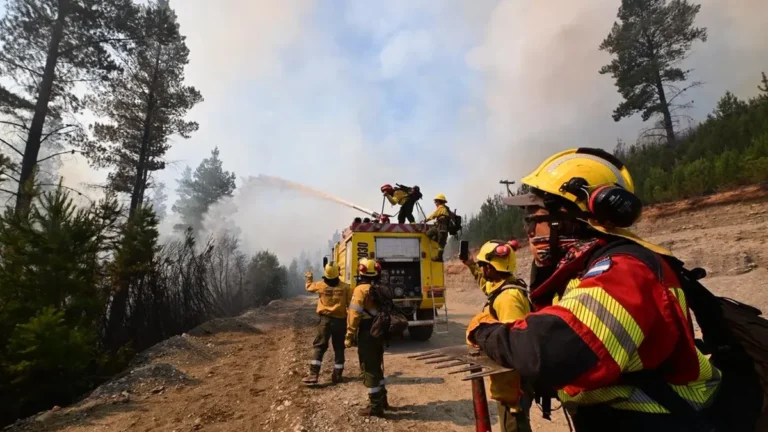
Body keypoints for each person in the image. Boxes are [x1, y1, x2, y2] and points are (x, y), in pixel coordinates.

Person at [466, 148, 721, 432]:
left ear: (567, 217)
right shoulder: (590, 269)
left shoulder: (625, 270)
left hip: (658, 421)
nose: (528, 230)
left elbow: (550, 349)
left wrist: (483, 330)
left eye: (533, 218)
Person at [462, 240, 533, 432]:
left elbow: (514, 343)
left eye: (483, 265)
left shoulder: (508, 298)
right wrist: (470, 265)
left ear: (491, 267)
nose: (482, 270)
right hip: (510, 382)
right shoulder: (504, 286)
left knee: (514, 427)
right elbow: (487, 286)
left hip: (513, 384)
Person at [345, 258, 389, 417]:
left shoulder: (360, 290)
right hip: (379, 330)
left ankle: (375, 406)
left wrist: (349, 334)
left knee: (369, 367)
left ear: (361, 271)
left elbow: (354, 314)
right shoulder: (379, 287)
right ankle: (383, 399)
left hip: (367, 331)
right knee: (377, 364)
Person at [302, 263, 352, 385]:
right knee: (339, 347)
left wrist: (309, 277)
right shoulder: (346, 287)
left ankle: (314, 374)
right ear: (338, 273)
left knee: (320, 346)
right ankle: (338, 374)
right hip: (340, 321)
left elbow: (309, 287)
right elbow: (350, 305)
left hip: (325, 320)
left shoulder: (321, 285)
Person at [424, 193, 451, 262]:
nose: (435, 203)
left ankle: (439, 257)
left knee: (441, 245)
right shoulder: (445, 209)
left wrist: (426, 220)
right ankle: (440, 255)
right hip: (440, 228)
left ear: (439, 201)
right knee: (429, 234)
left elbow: (433, 215)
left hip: (442, 229)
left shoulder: (441, 208)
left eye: (436, 201)